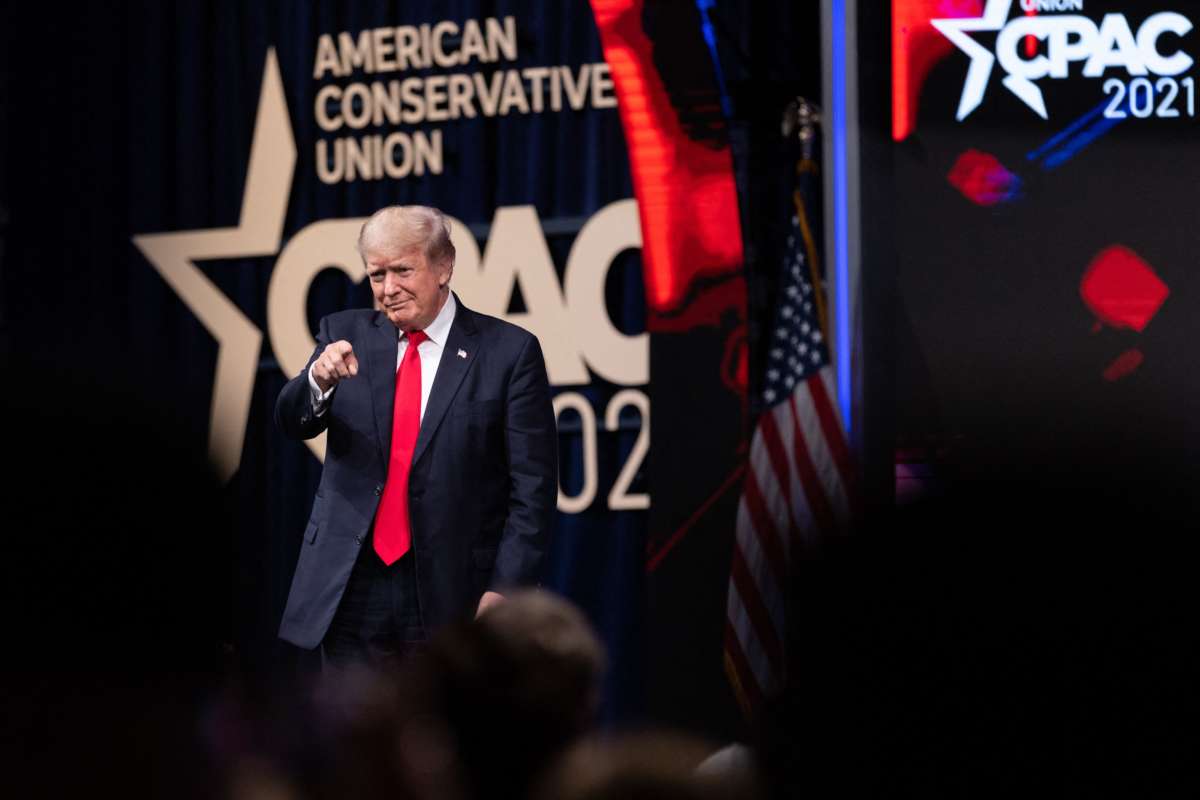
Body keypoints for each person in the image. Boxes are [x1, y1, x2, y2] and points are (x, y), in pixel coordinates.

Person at [275, 205, 557, 666]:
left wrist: (506, 588)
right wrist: (318, 381)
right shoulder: (345, 335)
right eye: (376, 275)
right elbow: (292, 421)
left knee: (443, 731)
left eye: (403, 270)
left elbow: (533, 491)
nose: (388, 290)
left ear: (444, 266)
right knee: (350, 734)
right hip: (352, 585)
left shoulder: (508, 352)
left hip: (451, 589)